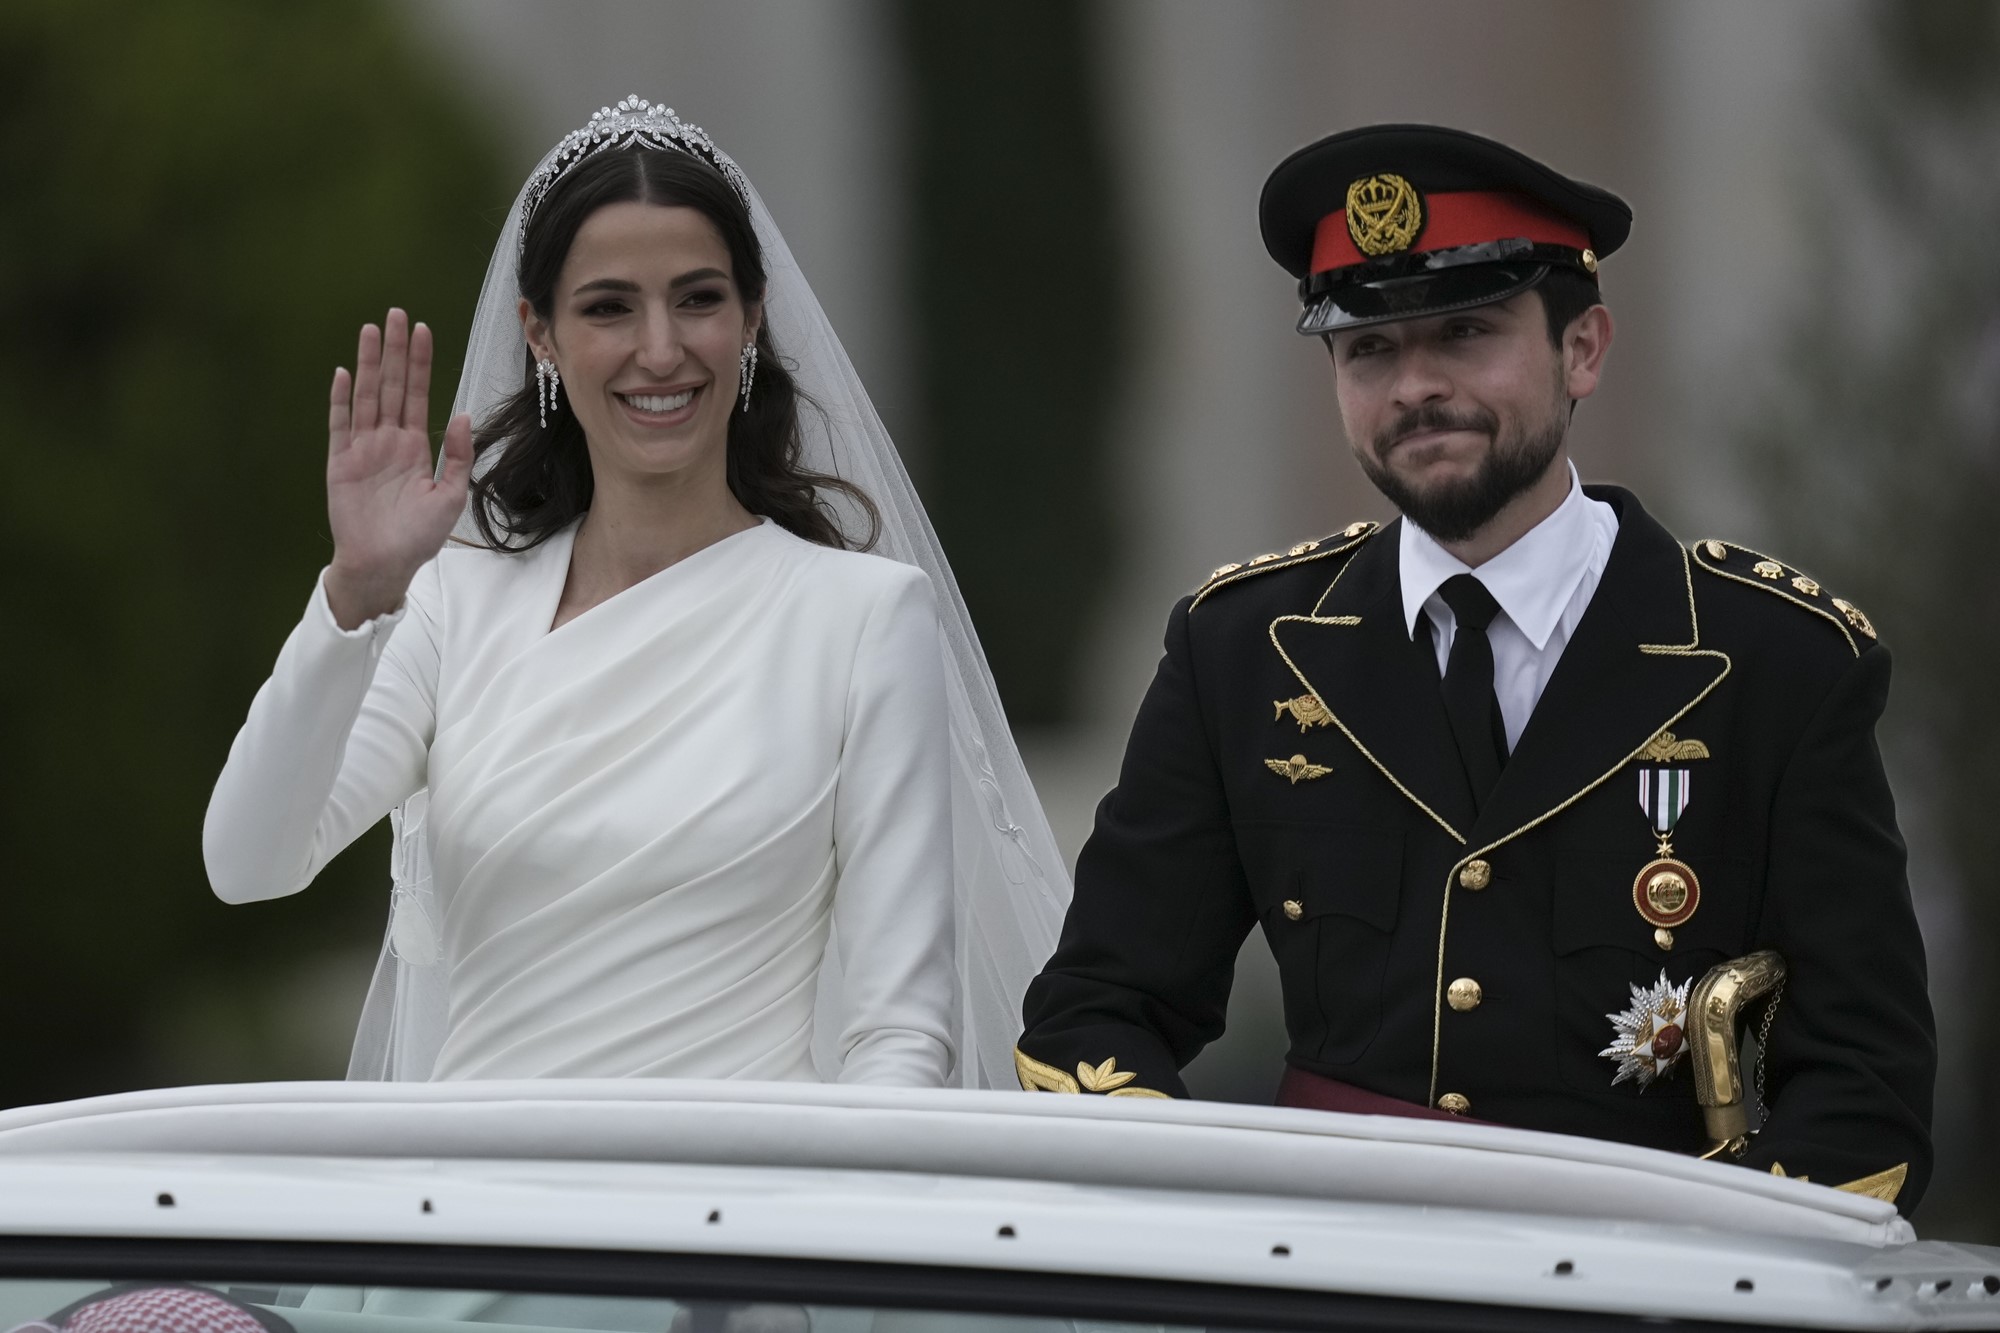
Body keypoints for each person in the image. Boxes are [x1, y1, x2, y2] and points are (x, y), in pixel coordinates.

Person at [1014, 123, 1936, 1212]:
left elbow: (1866, 1093)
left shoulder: (1772, 662)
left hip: (1646, 1281)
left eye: (1462, 333)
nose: (1413, 386)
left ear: (1581, 349)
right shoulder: (1242, 649)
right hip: (1322, 1271)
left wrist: (1693, 1266)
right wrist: (1223, 1224)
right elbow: (1095, 1014)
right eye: (1368, 350)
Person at [205, 98, 1068, 1088]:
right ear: (539, 333)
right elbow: (249, 861)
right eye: (609, 306)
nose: (660, 349)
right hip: (469, 1214)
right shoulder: (453, 605)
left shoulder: (865, 618)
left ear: (750, 320)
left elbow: (898, 1034)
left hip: (732, 1218)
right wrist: (355, 592)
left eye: (697, 299)